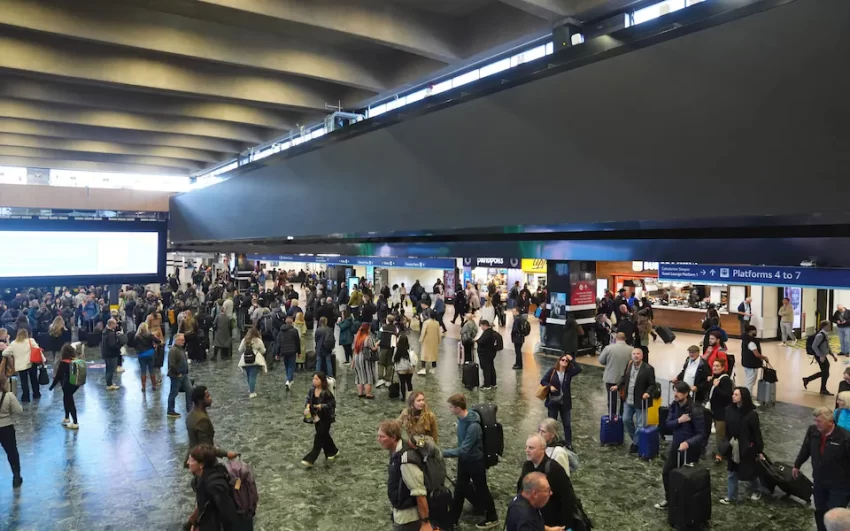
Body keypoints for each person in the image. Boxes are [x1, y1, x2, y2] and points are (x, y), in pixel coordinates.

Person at [377, 420, 445, 531]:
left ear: (393, 437)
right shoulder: (397, 451)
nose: (378, 440)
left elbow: (419, 493)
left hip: (409, 519)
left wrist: (425, 522)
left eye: (381, 437)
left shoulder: (406, 460)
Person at [444, 393, 498, 529]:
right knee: (460, 489)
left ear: (457, 408)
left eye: (450, 407)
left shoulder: (473, 427)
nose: (449, 409)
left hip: (475, 462)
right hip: (465, 461)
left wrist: (443, 453)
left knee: (482, 489)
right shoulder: (461, 418)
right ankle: (452, 519)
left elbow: (464, 449)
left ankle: (493, 517)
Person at [793, 407, 850, 531]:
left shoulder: (845, 437)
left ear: (830, 422)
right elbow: (806, 448)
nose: (816, 424)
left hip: (840, 486)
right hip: (819, 482)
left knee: (834, 516)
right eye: (815, 420)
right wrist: (797, 464)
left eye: (820, 421)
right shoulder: (813, 431)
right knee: (820, 511)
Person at [654, 381, 707, 511]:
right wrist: (679, 420)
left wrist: (688, 443)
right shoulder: (674, 406)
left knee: (688, 477)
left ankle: (688, 504)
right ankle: (669, 498)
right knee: (667, 472)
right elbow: (667, 424)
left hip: (690, 449)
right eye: (675, 391)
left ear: (686, 394)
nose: (675, 394)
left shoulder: (695, 410)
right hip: (676, 446)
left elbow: (701, 434)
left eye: (678, 392)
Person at [516, 434, 578, 530]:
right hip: (534, 518)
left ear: (542, 449)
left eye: (531, 448)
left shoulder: (554, 469)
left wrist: (567, 526)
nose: (527, 450)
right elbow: (521, 490)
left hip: (553, 521)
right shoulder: (527, 466)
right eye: (526, 447)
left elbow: (568, 499)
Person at [719, 387, 767, 504]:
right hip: (733, 445)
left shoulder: (751, 414)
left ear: (743, 397)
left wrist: (759, 450)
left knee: (748, 472)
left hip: (746, 448)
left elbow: (756, 433)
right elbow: (728, 429)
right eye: (733, 394)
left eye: (736, 394)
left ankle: (756, 489)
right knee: (732, 471)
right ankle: (731, 497)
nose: (733, 396)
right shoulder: (729, 410)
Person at [184, 444, 248, 531]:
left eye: (191, 460)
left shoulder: (216, 486)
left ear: (201, 465)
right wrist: (193, 522)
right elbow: (203, 505)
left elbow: (229, 517)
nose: (187, 462)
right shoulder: (200, 478)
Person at [610, 348, 656, 453]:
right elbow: (624, 378)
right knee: (626, 420)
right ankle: (637, 440)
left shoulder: (648, 368)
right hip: (628, 399)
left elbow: (652, 384)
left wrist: (647, 392)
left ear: (642, 356)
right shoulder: (629, 365)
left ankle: (635, 444)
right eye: (634, 354)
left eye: (638, 354)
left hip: (641, 401)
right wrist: (617, 386)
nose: (636, 356)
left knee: (641, 424)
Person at [185, 386, 238, 464]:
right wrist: (226, 454)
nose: (210, 398)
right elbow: (206, 448)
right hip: (203, 460)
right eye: (207, 396)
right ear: (200, 400)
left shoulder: (191, 415)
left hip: (194, 457)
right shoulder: (201, 420)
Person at [540, 354, 582, 449]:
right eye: (562, 360)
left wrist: (572, 360)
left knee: (567, 424)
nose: (564, 362)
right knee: (551, 424)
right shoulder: (553, 371)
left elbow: (579, 369)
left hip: (565, 403)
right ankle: (551, 442)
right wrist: (550, 386)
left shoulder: (569, 373)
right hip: (553, 402)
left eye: (566, 361)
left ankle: (568, 443)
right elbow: (543, 381)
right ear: (559, 361)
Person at [301, 372, 339, 466]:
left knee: (318, 437)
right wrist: (307, 406)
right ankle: (333, 451)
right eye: (313, 379)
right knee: (324, 435)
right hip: (315, 417)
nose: (314, 381)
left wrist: (322, 406)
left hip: (326, 418)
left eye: (317, 379)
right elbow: (308, 399)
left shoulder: (326, 393)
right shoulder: (312, 390)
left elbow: (332, 404)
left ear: (322, 381)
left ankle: (310, 459)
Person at [2, 328, 43, 401]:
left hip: (20, 365)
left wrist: (13, 353)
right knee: (34, 379)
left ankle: (25, 397)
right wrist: (43, 360)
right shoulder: (31, 341)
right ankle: (36, 394)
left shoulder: (14, 343)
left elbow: (4, 353)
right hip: (32, 362)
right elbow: (38, 350)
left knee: (24, 381)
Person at [48, 343, 81, 430]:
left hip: (67, 385)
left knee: (70, 402)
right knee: (67, 399)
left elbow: (58, 376)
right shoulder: (74, 360)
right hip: (75, 384)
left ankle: (75, 422)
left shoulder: (63, 363)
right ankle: (67, 417)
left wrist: (52, 386)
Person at [599, 332, 632, 415]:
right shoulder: (631, 349)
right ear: (625, 339)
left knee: (611, 400)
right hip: (625, 379)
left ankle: (612, 417)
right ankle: (622, 417)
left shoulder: (608, 348)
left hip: (611, 377)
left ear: (615, 338)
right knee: (623, 399)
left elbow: (601, 361)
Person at [708, 359, 733, 462]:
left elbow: (727, 395)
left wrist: (716, 387)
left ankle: (721, 453)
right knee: (719, 432)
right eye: (714, 365)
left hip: (722, 412)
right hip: (715, 410)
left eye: (718, 366)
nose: (715, 368)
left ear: (723, 367)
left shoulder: (725, 379)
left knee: (720, 434)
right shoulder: (715, 378)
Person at [0, 374, 23, 488]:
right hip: (6, 427)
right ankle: (16, 476)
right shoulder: (8, 396)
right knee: (12, 452)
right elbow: (19, 411)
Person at [805, 320, 839, 396]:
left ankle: (809, 380)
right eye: (829, 325)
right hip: (819, 356)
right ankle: (822, 388)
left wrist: (832, 355)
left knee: (825, 372)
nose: (830, 326)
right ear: (825, 326)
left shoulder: (825, 334)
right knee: (825, 372)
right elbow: (814, 346)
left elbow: (827, 346)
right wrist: (820, 355)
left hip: (822, 355)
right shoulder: (820, 335)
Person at [741, 325, 769, 405]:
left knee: (748, 381)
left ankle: (746, 396)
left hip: (746, 363)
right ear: (751, 331)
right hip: (751, 364)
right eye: (755, 330)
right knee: (750, 382)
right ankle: (747, 399)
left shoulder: (745, 339)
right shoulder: (751, 342)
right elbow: (756, 354)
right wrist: (764, 358)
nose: (756, 332)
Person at [167, 333, 192, 418]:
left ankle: (190, 408)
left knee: (190, 389)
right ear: (176, 340)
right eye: (181, 340)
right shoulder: (173, 350)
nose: (183, 342)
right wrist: (178, 373)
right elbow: (172, 364)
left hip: (184, 374)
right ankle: (170, 410)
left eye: (183, 340)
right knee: (174, 393)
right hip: (176, 375)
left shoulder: (180, 348)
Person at [238, 327, 267, 398]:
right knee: (253, 376)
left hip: (245, 360)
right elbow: (263, 351)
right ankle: (252, 392)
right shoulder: (258, 340)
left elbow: (240, 350)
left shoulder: (244, 340)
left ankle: (250, 388)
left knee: (248, 375)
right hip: (255, 360)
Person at [352, 322, 377, 399]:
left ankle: (360, 393)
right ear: (367, 329)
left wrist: (352, 362)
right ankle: (368, 394)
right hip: (365, 359)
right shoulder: (368, 338)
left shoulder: (356, 337)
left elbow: (354, 349)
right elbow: (373, 348)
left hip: (356, 357)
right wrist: (377, 345)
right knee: (368, 376)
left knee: (359, 376)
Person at [276, 316, 301, 391]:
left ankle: (290, 379)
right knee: (291, 366)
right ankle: (288, 380)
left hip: (283, 351)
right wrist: (299, 352)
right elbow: (297, 342)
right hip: (292, 351)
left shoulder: (280, 331)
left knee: (286, 365)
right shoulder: (294, 331)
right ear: (292, 322)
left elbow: (278, 343)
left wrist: (277, 354)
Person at [135, 322, 161, 392]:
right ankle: (154, 386)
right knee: (151, 370)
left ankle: (143, 387)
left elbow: (133, 345)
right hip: (150, 354)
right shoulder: (150, 335)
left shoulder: (137, 336)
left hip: (141, 355)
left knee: (143, 371)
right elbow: (159, 341)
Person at [476, 320, 501, 390]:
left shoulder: (487, 333)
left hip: (485, 354)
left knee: (486, 369)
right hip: (491, 353)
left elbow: (481, 341)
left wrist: (477, 341)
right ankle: (493, 383)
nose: (481, 328)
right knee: (491, 368)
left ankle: (487, 385)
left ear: (484, 325)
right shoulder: (492, 332)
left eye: (481, 326)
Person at [375, 315, 397, 388]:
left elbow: (379, 337)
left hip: (383, 348)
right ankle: (388, 380)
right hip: (392, 349)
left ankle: (380, 379)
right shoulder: (395, 328)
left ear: (387, 320)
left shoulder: (382, 328)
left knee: (381, 363)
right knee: (390, 364)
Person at [418, 311, 440, 376]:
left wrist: (421, 339)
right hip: (434, 340)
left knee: (424, 354)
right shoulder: (437, 323)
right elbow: (439, 332)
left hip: (426, 340)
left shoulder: (426, 322)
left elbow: (423, 332)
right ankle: (433, 368)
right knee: (434, 354)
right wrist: (439, 340)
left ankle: (423, 368)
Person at [393, 334, 415, 401]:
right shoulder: (409, 348)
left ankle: (404, 397)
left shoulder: (397, 349)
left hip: (401, 368)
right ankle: (410, 397)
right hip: (410, 368)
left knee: (402, 383)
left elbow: (393, 359)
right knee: (409, 382)